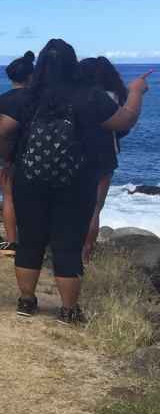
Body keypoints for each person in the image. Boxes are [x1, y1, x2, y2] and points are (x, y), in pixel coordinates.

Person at [0, 40, 149, 322]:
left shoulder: (26, 97)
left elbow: (1, 132)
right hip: (78, 180)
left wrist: (9, 160)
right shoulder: (91, 95)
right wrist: (136, 91)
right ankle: (69, 310)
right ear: (73, 64)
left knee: (30, 240)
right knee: (67, 245)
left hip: (30, 178)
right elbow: (125, 122)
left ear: (39, 66)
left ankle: (26, 301)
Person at [78, 56, 130, 262]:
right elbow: (122, 129)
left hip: (75, 155)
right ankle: (85, 256)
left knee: (72, 206)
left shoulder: (77, 94)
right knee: (94, 209)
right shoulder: (113, 97)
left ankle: (66, 252)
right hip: (104, 156)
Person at [0, 52, 35, 256]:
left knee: (8, 199)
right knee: (32, 200)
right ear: (30, 76)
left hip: (6, 155)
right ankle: (32, 241)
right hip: (34, 155)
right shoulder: (35, 100)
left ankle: (12, 243)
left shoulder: (0, 101)